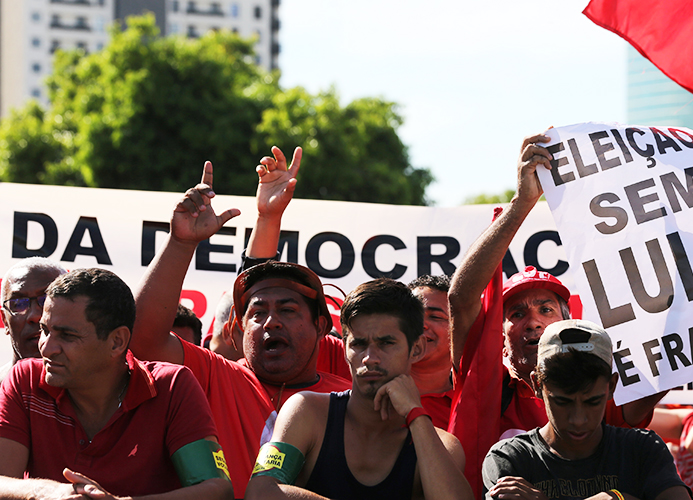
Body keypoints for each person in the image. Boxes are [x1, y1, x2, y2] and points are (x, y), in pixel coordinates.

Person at [448, 134, 666, 496]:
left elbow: (668, 370)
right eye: (515, 313)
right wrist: (521, 204)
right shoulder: (481, 380)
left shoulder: (604, 386)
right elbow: (461, 297)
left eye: (546, 309)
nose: (532, 321)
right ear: (497, 334)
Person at [130, 148, 348, 498]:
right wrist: (181, 242)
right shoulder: (214, 377)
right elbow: (141, 340)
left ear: (323, 326)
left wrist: (268, 217)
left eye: (289, 310)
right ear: (236, 329)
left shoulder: (349, 399)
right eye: (258, 313)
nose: (271, 323)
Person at [0, 268, 232, 499]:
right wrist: (48, 492)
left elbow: (217, 490)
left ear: (117, 342)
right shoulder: (26, 379)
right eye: (45, 330)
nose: (46, 348)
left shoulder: (171, 386)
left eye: (67, 336)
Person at [245, 278, 473, 500]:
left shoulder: (442, 444)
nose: (370, 358)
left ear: (416, 349)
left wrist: (417, 415)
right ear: (344, 349)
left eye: (386, 343)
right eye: (359, 344)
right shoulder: (307, 411)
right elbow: (260, 491)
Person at [482, 319, 690, 500]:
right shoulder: (510, 458)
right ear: (537, 385)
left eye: (592, 401)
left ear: (611, 387)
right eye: (563, 402)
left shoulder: (643, 450)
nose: (578, 419)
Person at [0, 258, 67, 381]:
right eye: (19, 304)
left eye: (47, 300)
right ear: (5, 320)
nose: (35, 316)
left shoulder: (106, 392)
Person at [408, 274, 453, 430]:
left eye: (435, 316)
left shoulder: (470, 405)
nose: (421, 325)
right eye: (413, 316)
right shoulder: (369, 389)